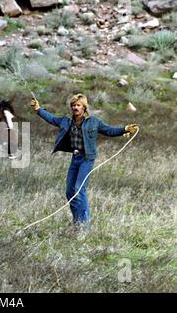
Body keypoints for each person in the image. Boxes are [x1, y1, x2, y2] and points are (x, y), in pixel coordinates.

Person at [31, 94, 138, 229]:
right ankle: (77, 222)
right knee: (70, 191)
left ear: (84, 107)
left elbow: (109, 130)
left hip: (87, 159)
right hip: (75, 158)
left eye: (78, 105)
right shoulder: (66, 121)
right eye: (73, 105)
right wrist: (38, 109)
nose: (75, 107)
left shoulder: (94, 121)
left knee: (79, 189)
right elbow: (51, 118)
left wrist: (125, 129)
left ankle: (84, 224)